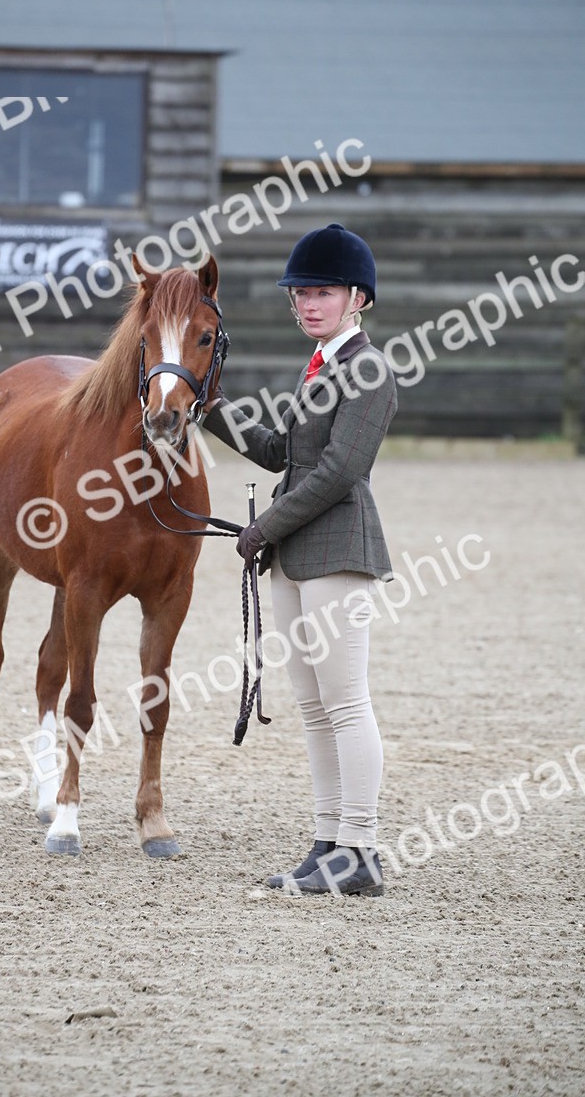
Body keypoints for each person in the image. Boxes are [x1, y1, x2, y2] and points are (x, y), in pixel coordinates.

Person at [203, 223, 397, 897]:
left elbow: (341, 471)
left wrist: (264, 528)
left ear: (357, 299)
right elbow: (281, 453)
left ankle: (363, 850)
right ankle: (327, 844)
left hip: (339, 547)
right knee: (313, 706)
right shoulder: (317, 368)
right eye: (302, 293)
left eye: (323, 292)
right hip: (291, 553)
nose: (309, 303)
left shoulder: (368, 370)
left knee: (346, 702)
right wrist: (211, 409)